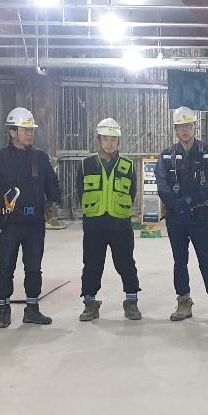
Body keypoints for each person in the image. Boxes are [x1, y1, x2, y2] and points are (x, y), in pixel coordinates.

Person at [0, 107, 62, 327]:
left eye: (32, 130)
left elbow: (52, 183)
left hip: (34, 224)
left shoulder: (39, 158)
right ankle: (3, 310)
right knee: (6, 267)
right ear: (12, 132)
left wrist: (52, 203)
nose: (30, 133)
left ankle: (32, 309)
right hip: (9, 224)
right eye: (25, 129)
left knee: (33, 267)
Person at [156, 106, 208, 324]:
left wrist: (192, 200)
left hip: (200, 215)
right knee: (180, 260)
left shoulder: (207, 152)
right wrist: (174, 204)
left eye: (188, 125)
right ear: (175, 130)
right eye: (181, 127)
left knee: (207, 259)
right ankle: (183, 301)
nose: (185, 130)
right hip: (176, 217)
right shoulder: (166, 156)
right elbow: (162, 183)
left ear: (195, 127)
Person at [77, 117, 142, 322]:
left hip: (120, 224)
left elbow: (132, 192)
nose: (109, 143)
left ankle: (131, 301)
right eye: (105, 139)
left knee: (126, 264)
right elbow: (80, 192)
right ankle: (90, 303)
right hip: (94, 224)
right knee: (92, 265)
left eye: (113, 139)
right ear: (99, 140)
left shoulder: (128, 165)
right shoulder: (86, 164)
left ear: (118, 141)